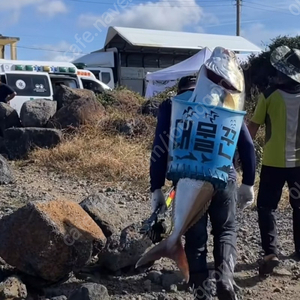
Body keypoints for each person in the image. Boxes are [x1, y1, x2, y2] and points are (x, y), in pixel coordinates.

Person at [150, 75, 256, 300]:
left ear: (181, 90)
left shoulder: (172, 105)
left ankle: (202, 293)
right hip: (223, 175)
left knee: (195, 237)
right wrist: (248, 183)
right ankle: (225, 279)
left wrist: (156, 188)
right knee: (225, 230)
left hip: (188, 179)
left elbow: (159, 146)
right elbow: (246, 145)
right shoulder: (226, 102)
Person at [247, 45, 300, 275]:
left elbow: (252, 129)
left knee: (266, 207)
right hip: (298, 166)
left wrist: (241, 153)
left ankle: (271, 252)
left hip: (273, 163)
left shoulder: (268, 95)